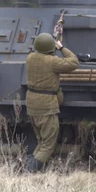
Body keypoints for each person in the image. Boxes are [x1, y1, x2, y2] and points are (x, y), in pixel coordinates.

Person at [25, 33, 79, 172]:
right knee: (48, 145)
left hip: (32, 105)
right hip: (46, 107)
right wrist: (61, 48)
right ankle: (29, 171)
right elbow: (74, 62)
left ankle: (29, 167)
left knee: (42, 142)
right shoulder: (52, 61)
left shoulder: (30, 58)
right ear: (51, 48)